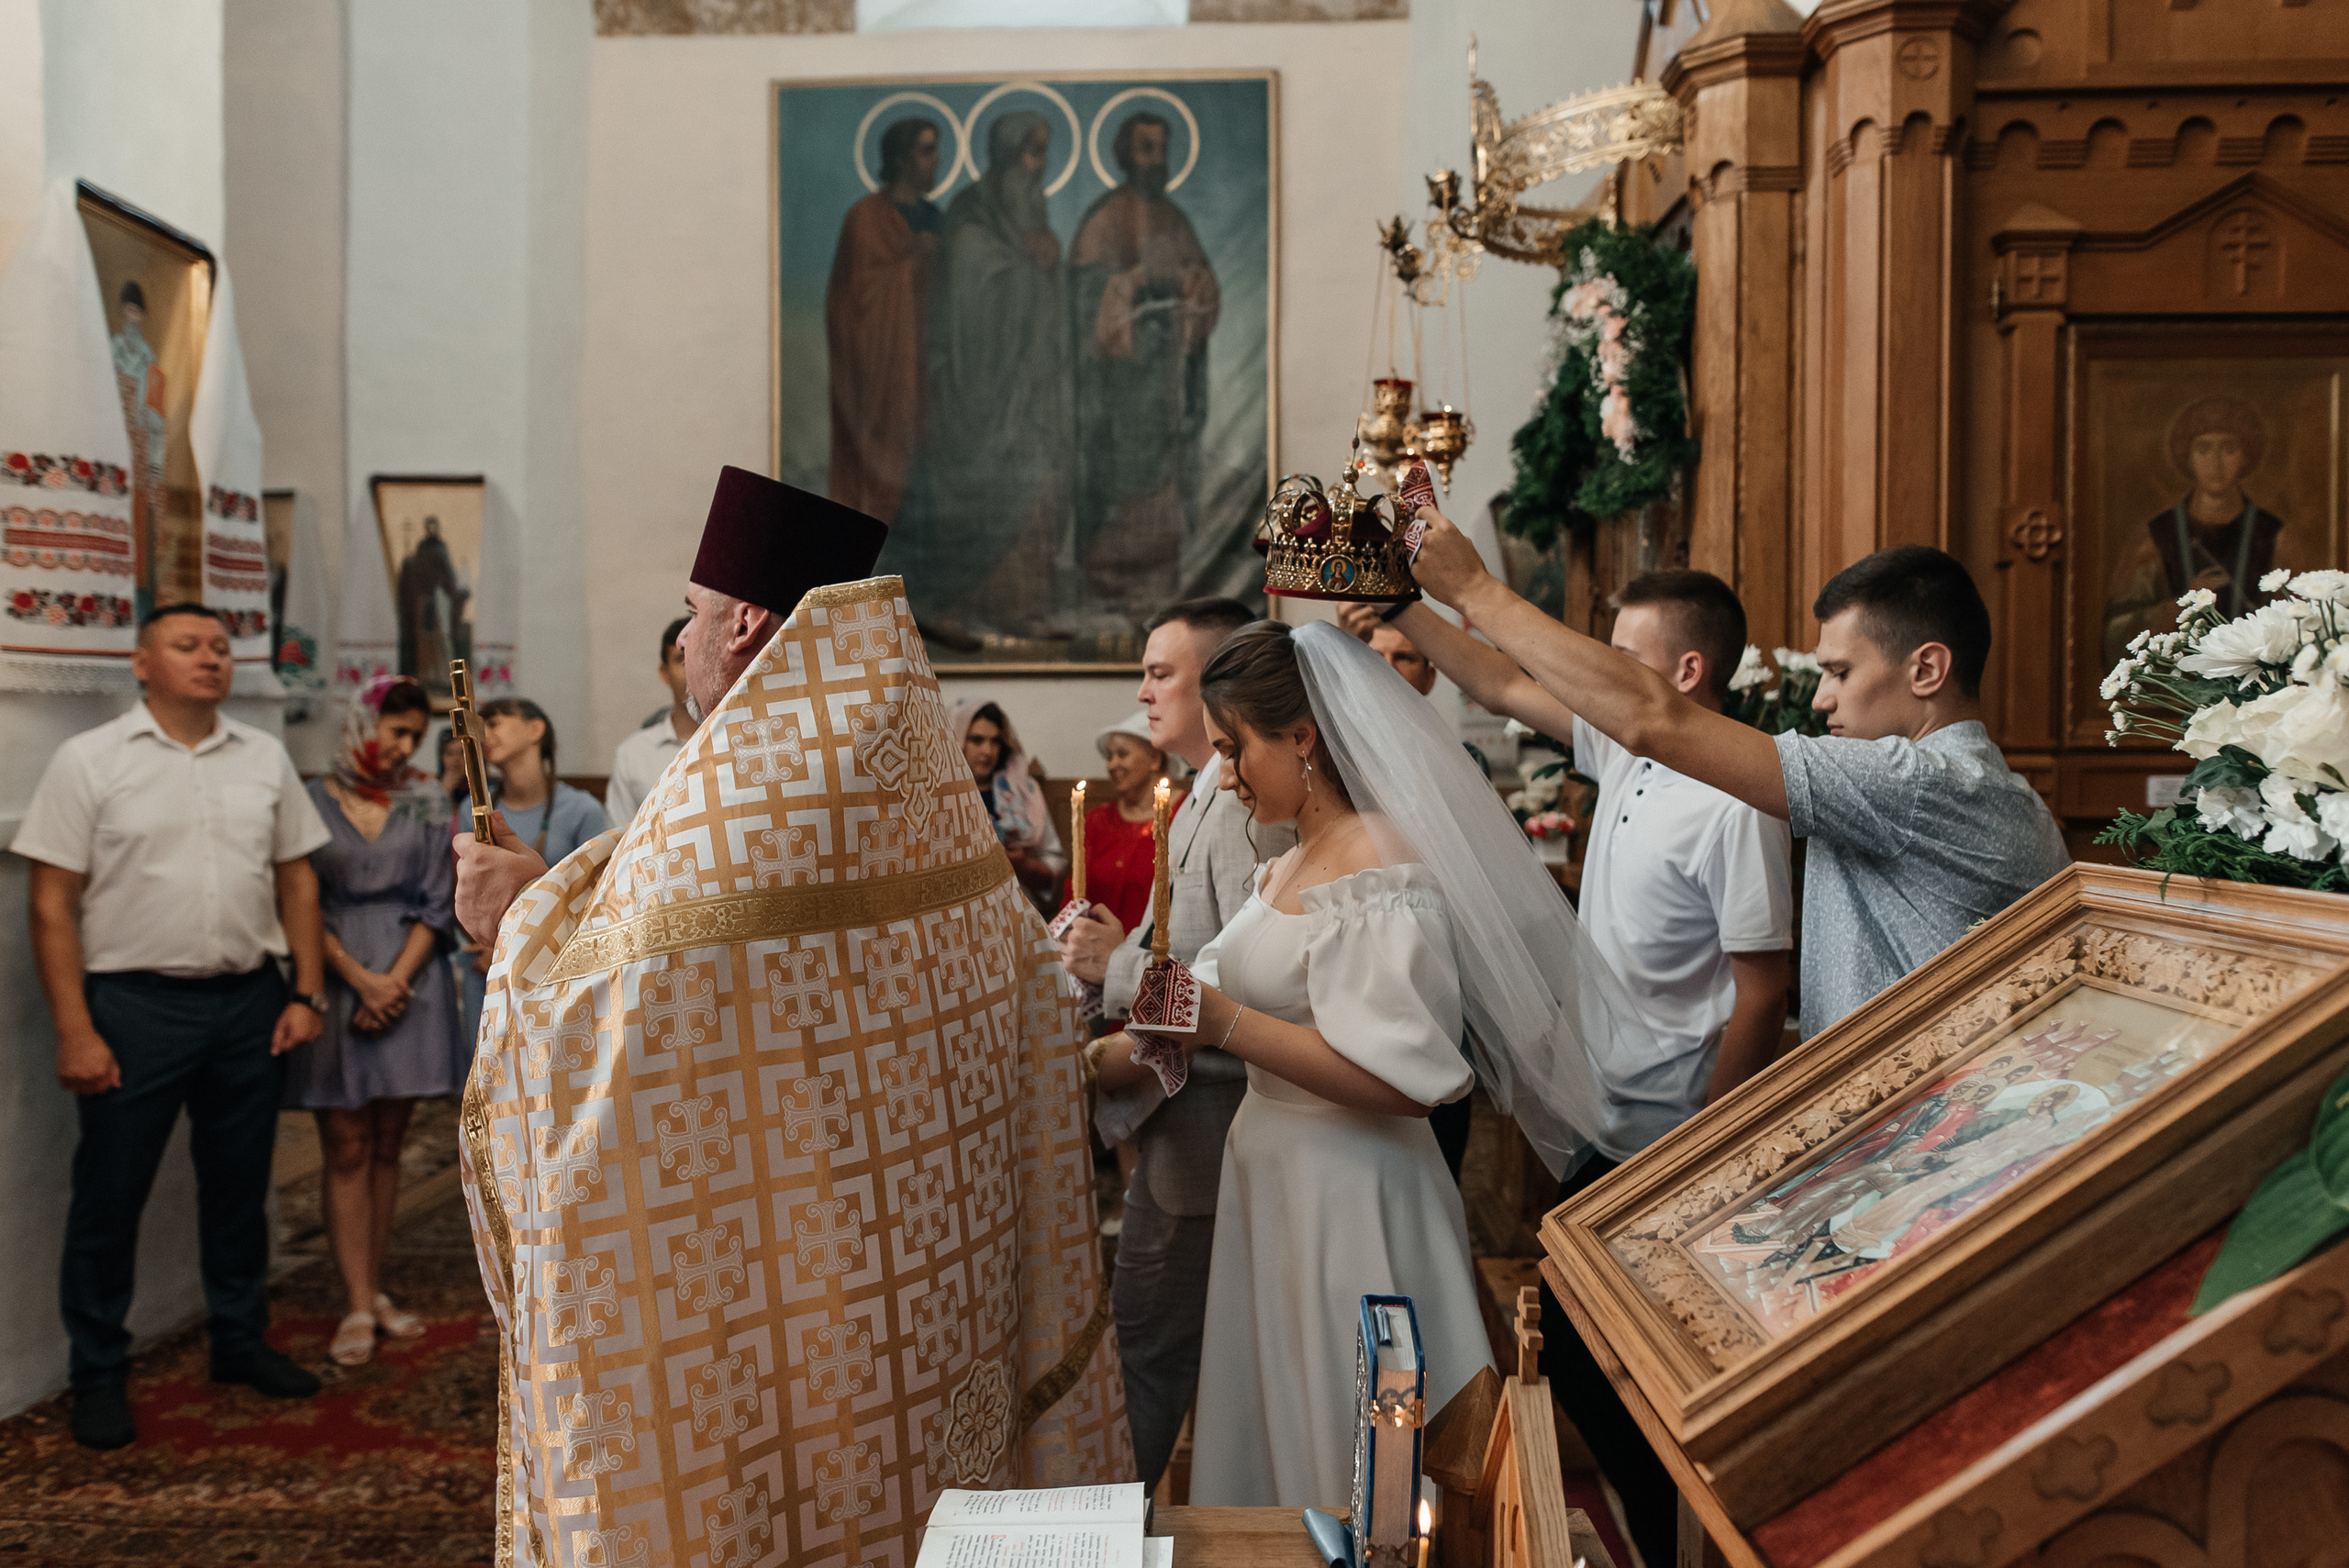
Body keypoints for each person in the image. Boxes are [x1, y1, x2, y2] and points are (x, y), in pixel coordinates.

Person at [449, 467, 1131, 1562]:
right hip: (928, 1285)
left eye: (694, 612)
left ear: (744, 625)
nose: (685, 637)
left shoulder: (739, 811)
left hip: (775, 1295)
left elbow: (608, 1030)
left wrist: (518, 921)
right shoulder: (914, 794)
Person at [1410, 516, 2067, 1568]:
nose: (1819, 699)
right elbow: (1609, 714)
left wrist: (1476, 589)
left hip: (1932, 1188)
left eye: (1840, 672)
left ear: (1926, 669)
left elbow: (1655, 718)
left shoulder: (1932, 784)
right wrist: (1412, 606)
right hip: (1881, 1175)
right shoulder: (1906, 781)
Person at [1134, 620, 1653, 1509]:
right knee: (1282, 1423)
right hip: (1276, 1175)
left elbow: (1403, 1083)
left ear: (1301, 736)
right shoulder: (1288, 858)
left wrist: (1220, 1022)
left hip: (1351, 1186)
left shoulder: (1378, 861)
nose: (1223, 774)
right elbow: (1232, 986)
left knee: (1358, 1460)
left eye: (1233, 748)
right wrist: (1169, 1019)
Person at [14, 604, 332, 1450]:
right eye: (187, 645)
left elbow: (297, 879)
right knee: (110, 1194)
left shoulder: (262, 756)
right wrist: (75, 1029)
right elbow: (51, 902)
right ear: (142, 663)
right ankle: (97, 1374)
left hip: (249, 1003)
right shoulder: (90, 760)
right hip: (134, 1008)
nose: (210, 657)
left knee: (240, 1185)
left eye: (221, 647)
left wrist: (306, 994)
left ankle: (239, 1338)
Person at [1056, 595, 1295, 1490]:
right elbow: (1185, 949)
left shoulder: (1239, 811)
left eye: (1162, 672)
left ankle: (1102, 1529)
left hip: (1210, 1124)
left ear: (1219, 679)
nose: (1143, 691)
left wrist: (1116, 978)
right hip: (1182, 1113)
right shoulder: (1199, 794)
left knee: (1146, 1352)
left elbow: (1245, 986)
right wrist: (1111, 960)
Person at [281, 673, 462, 1367]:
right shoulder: (309, 800)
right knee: (346, 1143)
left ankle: (375, 1287)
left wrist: (394, 981)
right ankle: (356, 1300)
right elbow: (296, 897)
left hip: (410, 977)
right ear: (362, 723)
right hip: (333, 974)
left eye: (415, 734)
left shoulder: (424, 800)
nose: (405, 746)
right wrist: (358, 979)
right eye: (396, 730)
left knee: (389, 1143)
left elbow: (438, 898)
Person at [891, 111, 1072, 642]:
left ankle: (1023, 605)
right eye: (1032, 152)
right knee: (980, 489)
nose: (1039, 166)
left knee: (1036, 480)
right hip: (975, 390)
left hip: (1027, 389)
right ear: (1008, 154)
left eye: (1044, 153)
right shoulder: (972, 212)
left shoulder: (1028, 212)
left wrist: (1047, 264)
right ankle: (958, 604)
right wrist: (1028, 269)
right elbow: (969, 283)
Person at [1068, 111, 1220, 618]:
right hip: (1119, 388)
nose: (1157, 160)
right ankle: (1109, 582)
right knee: (1122, 478)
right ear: (1125, 154)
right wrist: (1130, 283)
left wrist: (1191, 285)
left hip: (1165, 383)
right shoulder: (1104, 219)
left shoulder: (1175, 220)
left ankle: (1157, 583)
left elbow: (1202, 284)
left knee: (1163, 482)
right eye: (1146, 148)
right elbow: (1084, 306)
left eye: (1162, 148)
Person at [452, 696, 607, 1048]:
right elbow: (464, 888)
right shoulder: (472, 810)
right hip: (487, 963)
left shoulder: (582, 809)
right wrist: (489, 947)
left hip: (557, 963)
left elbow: (597, 894)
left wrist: (518, 948)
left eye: (494, 723)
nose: (483, 734)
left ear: (535, 729)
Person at [2101, 395, 2296, 667]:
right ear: (2188, 457)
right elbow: (2115, 635)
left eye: (2228, 449)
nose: (2216, 463)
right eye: (2204, 449)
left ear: (2245, 457)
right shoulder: (2154, 539)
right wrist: (2179, 607)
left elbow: (2302, 625)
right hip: (2176, 685)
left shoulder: (2276, 538)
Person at [826, 116, 942, 524]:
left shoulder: (935, 217)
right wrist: (911, 264)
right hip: (882, 371)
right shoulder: (865, 219)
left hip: (926, 363)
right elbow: (852, 300)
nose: (936, 160)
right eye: (926, 151)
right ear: (901, 159)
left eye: (936, 150)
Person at [1065, 710, 1184, 934]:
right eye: (1109, 757)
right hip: (1095, 945)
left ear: (1155, 759)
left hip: (1159, 947)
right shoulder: (1098, 819)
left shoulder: (1184, 812)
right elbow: (1074, 890)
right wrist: (1062, 936)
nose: (1112, 765)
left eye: (1122, 754)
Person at [952, 698, 1067, 909]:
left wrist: (1023, 865)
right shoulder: (940, 795)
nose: (988, 751)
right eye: (977, 740)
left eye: (995, 741)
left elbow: (1054, 860)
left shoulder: (1023, 790)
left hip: (1017, 907)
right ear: (955, 740)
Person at [605, 616, 695, 824]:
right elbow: (620, 835)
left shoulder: (735, 739)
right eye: (681, 660)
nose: (692, 669)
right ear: (665, 673)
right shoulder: (633, 753)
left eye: (701, 657)